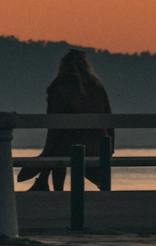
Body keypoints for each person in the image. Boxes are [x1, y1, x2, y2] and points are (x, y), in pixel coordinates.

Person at [18, 49, 113, 190]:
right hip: (98, 145)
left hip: (72, 147)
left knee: (57, 148)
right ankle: (43, 182)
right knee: (62, 146)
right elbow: (108, 117)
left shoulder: (59, 85)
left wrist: (48, 149)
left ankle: (53, 187)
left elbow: (54, 122)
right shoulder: (96, 85)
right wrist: (110, 146)